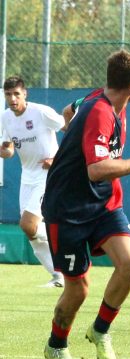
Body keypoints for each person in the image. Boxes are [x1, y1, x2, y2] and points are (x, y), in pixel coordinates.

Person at [42, 50, 130, 359]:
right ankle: (56, 344)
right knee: (78, 290)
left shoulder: (99, 99)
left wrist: (72, 135)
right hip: (67, 210)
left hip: (103, 204)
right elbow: (96, 169)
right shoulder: (99, 110)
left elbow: (67, 111)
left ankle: (100, 330)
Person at [0, 76, 65, 288]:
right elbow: (8, 148)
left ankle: (68, 239)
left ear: (24, 94)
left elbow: (69, 128)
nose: (12, 98)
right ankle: (58, 277)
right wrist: (5, 151)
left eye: (16, 94)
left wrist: (57, 159)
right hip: (26, 178)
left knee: (28, 224)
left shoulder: (40, 112)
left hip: (49, 174)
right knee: (30, 231)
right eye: (8, 94)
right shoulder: (6, 117)